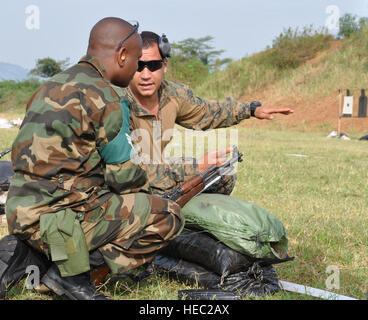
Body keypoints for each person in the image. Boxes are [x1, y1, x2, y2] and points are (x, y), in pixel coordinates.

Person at [0, 18, 185, 300]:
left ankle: (36, 254)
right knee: (167, 214)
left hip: (19, 211)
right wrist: (149, 186)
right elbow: (124, 178)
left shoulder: (48, 86)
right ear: (122, 55)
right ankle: (69, 275)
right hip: (59, 219)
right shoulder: (108, 96)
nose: (138, 69)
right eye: (136, 60)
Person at [126, 31, 294, 196]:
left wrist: (251, 110)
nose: (146, 75)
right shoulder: (117, 102)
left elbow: (207, 112)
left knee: (222, 174)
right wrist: (195, 168)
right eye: (139, 66)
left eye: (154, 66)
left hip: (160, 172)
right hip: (128, 177)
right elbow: (125, 170)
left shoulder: (171, 94)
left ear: (165, 66)